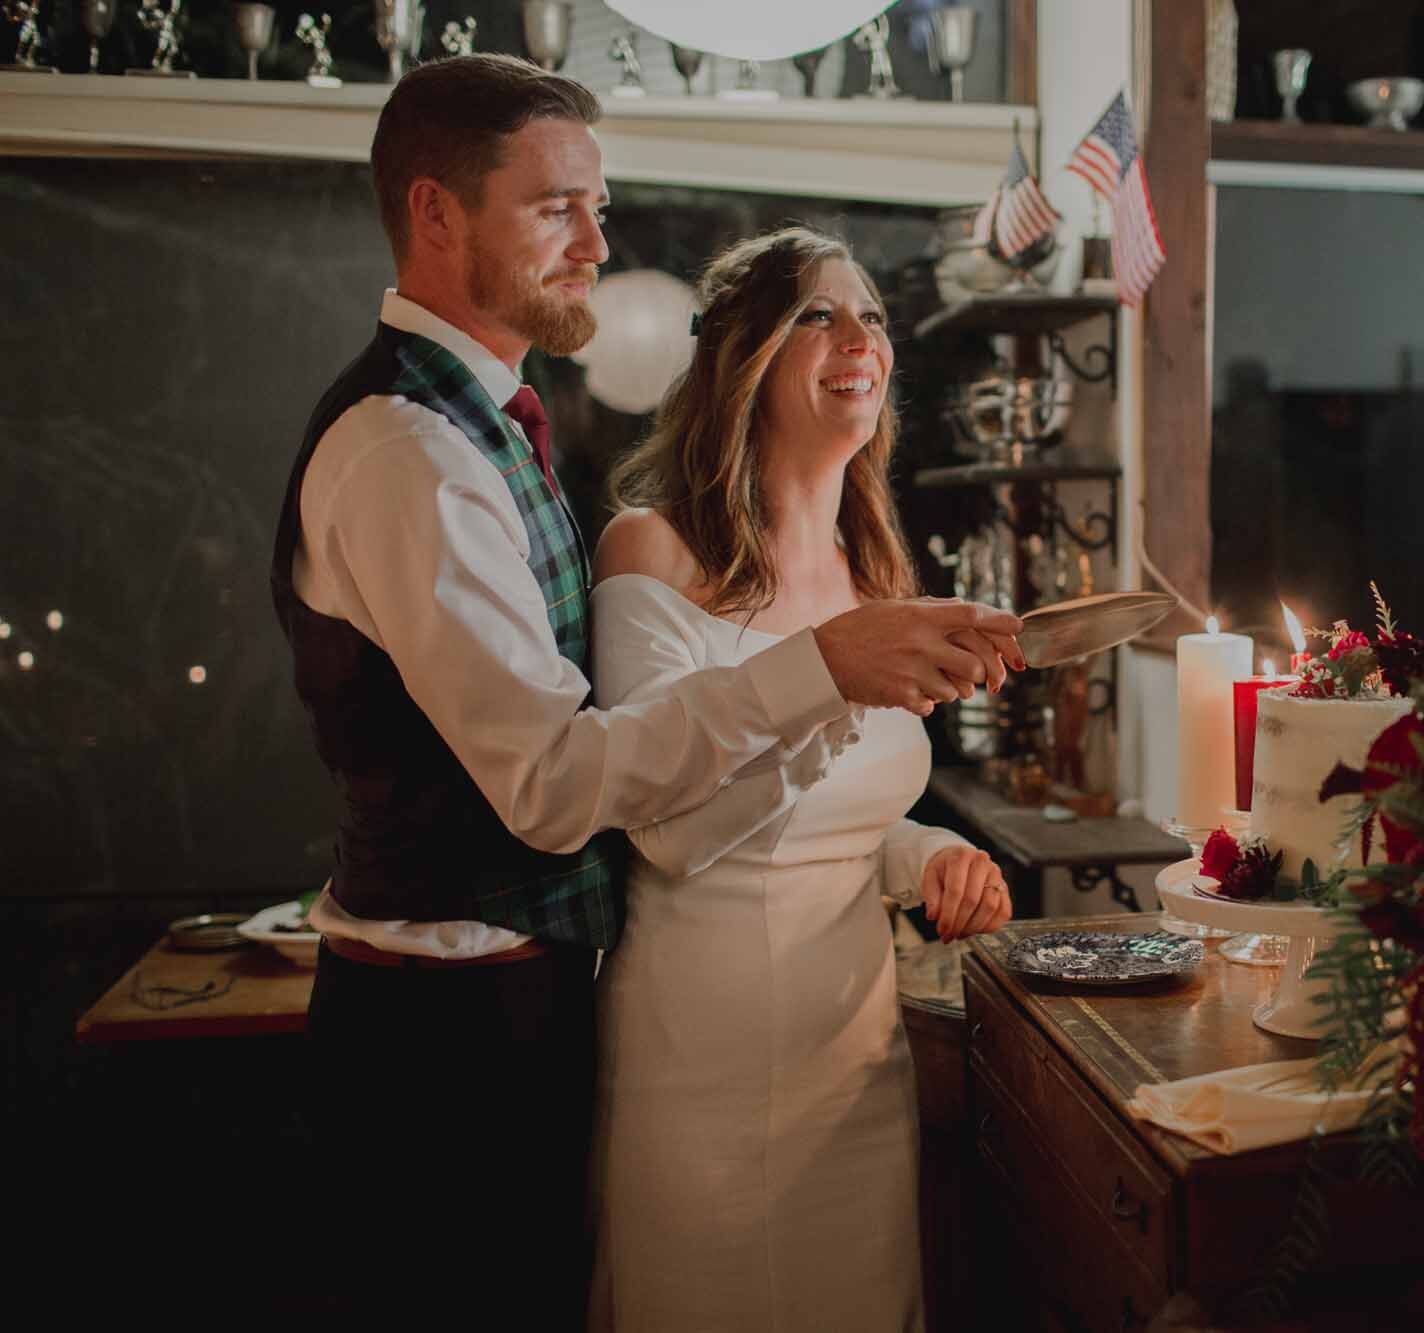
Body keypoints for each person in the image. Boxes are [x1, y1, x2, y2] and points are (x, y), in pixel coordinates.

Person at [269, 57, 1020, 1328]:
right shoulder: (407, 448)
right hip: (445, 1035)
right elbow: (564, 788)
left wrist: (906, 849)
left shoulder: (487, 430)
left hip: (553, 1010)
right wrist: (823, 668)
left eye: (598, 207)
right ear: (435, 212)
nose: (595, 242)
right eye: (556, 206)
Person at [587, 227, 1017, 1331]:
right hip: (703, 1061)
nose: (856, 336)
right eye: (815, 315)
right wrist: (828, 679)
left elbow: (839, 811)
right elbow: (667, 834)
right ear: (741, 357)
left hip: (858, 1058)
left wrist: (928, 852)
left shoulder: (873, 571)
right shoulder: (653, 553)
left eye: (869, 314)